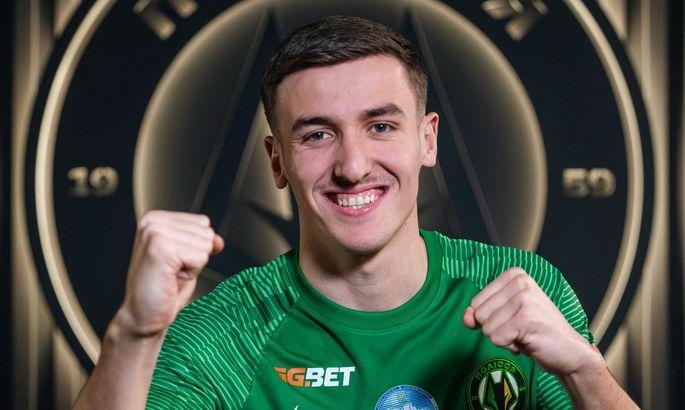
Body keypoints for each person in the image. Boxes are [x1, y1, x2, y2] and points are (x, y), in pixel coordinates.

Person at [74, 16, 637, 409]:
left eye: (381, 126)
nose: (353, 166)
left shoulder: (523, 288)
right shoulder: (225, 335)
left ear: (427, 139)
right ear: (277, 160)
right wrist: (134, 334)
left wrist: (583, 369)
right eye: (317, 135)